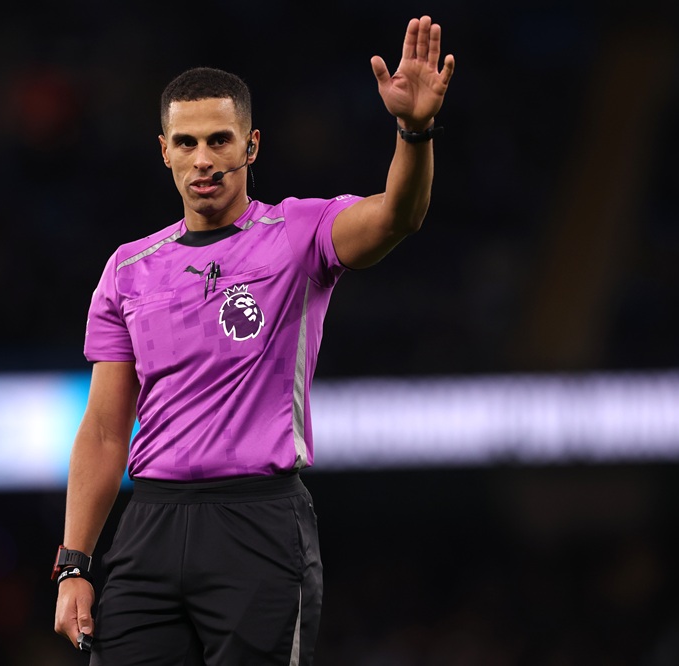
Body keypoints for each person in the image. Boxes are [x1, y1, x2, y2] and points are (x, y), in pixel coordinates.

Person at [52, 15, 455, 665]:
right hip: (149, 525)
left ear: (251, 146)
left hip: (258, 525)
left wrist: (414, 131)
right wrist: (74, 564)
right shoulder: (127, 268)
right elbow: (103, 431)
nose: (203, 159)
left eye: (220, 140)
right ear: (164, 150)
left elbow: (397, 216)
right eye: (186, 143)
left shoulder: (299, 233)